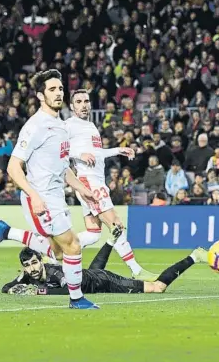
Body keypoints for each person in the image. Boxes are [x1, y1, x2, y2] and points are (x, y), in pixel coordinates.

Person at [0, 69, 98, 309]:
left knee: (60, 253)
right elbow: (13, 167)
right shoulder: (35, 126)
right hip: (41, 199)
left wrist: (82, 189)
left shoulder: (61, 126)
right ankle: (77, 299)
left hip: (56, 197)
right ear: (40, 96)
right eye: (52, 89)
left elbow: (63, 168)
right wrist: (34, 196)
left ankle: (7, 232)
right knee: (73, 245)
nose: (58, 93)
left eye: (60, 88)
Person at [65, 89, 157, 282]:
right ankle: (136, 270)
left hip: (95, 180)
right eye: (79, 101)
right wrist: (78, 155)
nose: (84, 105)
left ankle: (55, 249)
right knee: (115, 225)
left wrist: (117, 150)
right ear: (72, 107)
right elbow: (59, 149)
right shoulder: (69, 125)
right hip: (88, 182)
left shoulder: (89, 125)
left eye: (86, 101)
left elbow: (96, 153)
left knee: (93, 233)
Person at [3, 227, 208, 295]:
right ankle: (111, 241)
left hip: (104, 281)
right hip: (90, 276)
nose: (32, 268)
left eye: (34, 263)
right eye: (27, 266)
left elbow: (68, 290)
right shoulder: (29, 274)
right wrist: (16, 284)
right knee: (92, 272)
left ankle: (194, 256)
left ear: (41, 259)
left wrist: (41, 291)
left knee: (157, 288)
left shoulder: (56, 272)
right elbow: (5, 288)